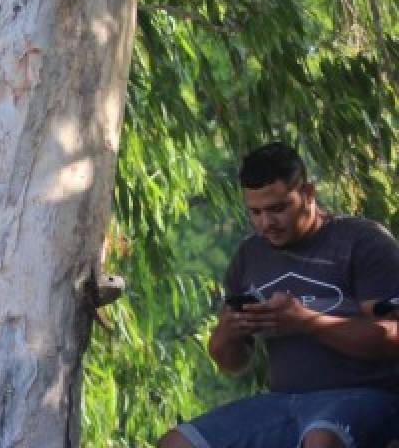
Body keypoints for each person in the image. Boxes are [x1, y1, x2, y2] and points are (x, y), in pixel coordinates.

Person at [157, 142, 399, 448]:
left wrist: (310, 323)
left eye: (277, 209)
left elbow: (391, 338)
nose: (266, 224)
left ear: (308, 194)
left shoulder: (362, 241)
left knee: (321, 439)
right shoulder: (249, 256)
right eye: (255, 212)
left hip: (366, 397)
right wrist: (228, 332)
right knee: (176, 443)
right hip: (282, 402)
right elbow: (233, 363)